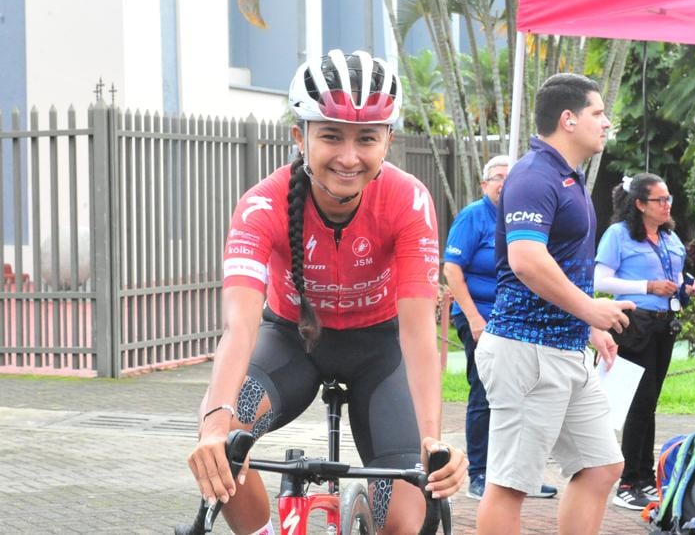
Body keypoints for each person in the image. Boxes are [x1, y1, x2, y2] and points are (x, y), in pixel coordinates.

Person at [186, 49, 467, 535]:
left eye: (367, 138)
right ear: (301, 137)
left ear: (388, 140)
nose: (349, 156)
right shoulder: (261, 205)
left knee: (406, 519)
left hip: (380, 350)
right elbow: (240, 328)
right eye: (332, 135)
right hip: (291, 341)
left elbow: (418, 333)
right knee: (224, 438)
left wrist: (432, 441)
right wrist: (213, 426)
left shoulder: (408, 200)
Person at [475, 72, 633, 535]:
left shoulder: (567, 176)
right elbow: (526, 260)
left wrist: (588, 326)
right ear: (569, 119)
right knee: (510, 484)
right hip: (526, 353)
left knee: (602, 465)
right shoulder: (533, 176)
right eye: (598, 112)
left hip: (564, 350)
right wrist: (590, 310)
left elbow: (559, 263)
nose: (606, 122)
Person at [443, 154, 557, 501]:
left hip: (520, 320)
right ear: (484, 184)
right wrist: (474, 319)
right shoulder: (473, 217)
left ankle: (520, 475)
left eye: (512, 177)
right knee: (485, 394)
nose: (505, 184)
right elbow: (451, 270)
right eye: (498, 177)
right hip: (480, 317)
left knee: (526, 396)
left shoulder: (526, 217)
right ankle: (480, 474)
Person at [594, 173, 695, 511]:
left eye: (669, 199)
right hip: (634, 323)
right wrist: (647, 287)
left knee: (650, 403)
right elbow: (600, 280)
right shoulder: (618, 234)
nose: (667, 205)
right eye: (660, 199)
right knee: (638, 403)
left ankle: (644, 478)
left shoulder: (669, 236)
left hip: (663, 325)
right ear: (640, 204)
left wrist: (686, 286)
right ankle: (628, 482)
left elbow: (674, 274)